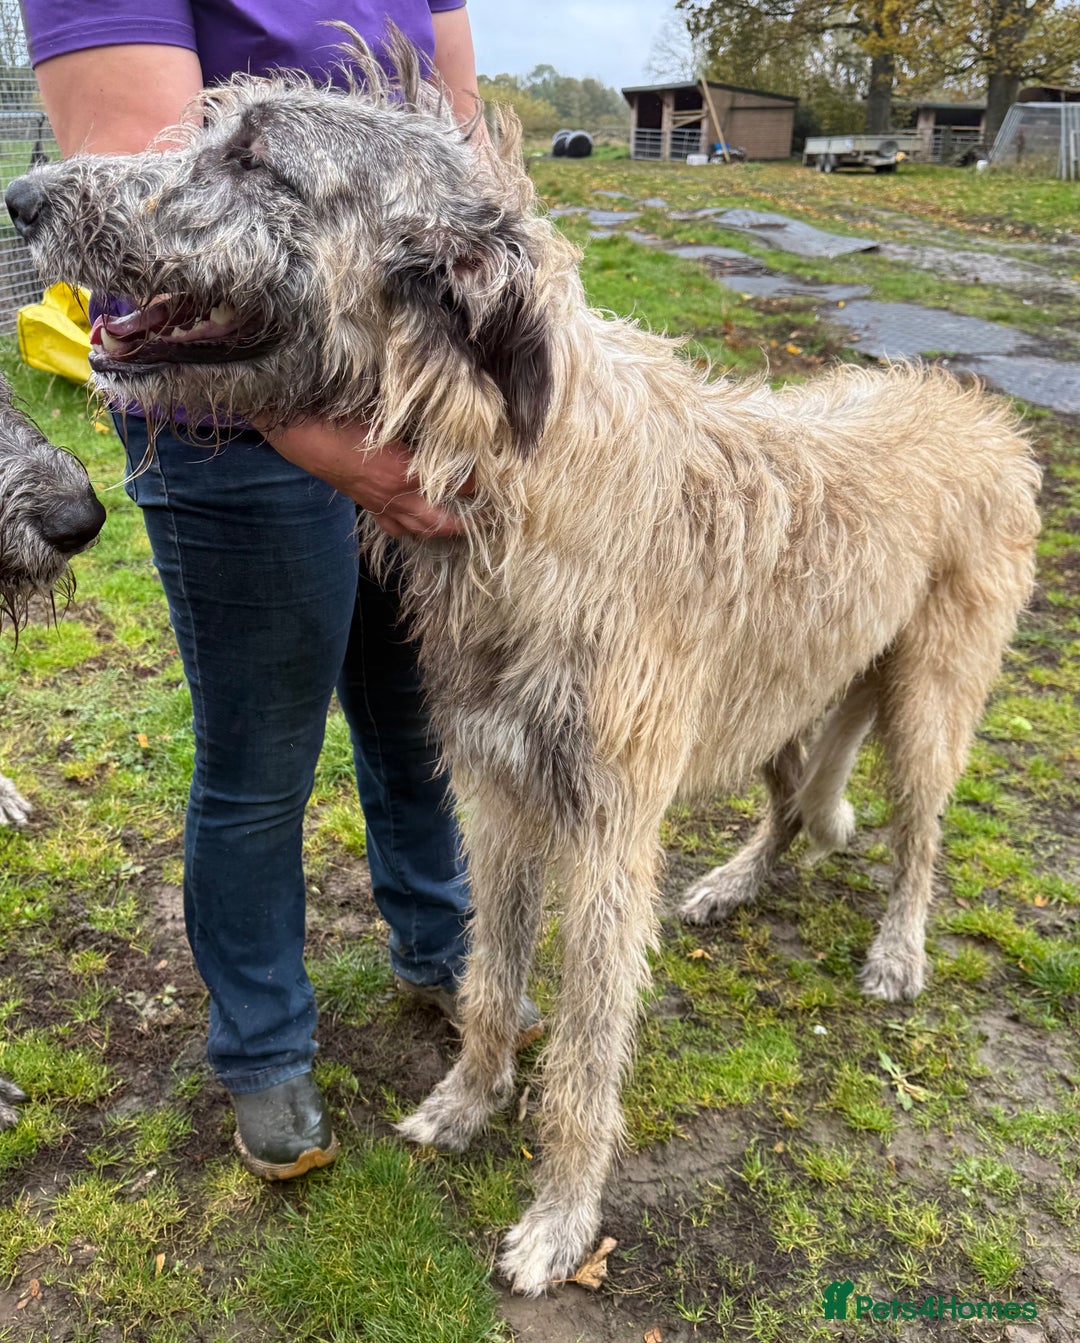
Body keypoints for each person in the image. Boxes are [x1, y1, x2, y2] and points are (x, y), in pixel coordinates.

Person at [22, 0, 537, 1180]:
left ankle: (438, 951)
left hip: (404, 407)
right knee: (260, 767)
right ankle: (263, 1048)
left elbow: (462, 155)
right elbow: (150, 218)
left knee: (418, 731)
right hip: (228, 420)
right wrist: (352, 461)